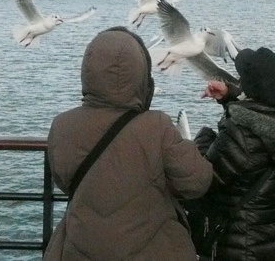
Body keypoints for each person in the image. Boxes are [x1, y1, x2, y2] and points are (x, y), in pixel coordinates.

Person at [43, 26, 213, 261]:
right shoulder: (156, 126)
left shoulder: (62, 125)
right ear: (142, 76)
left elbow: (64, 180)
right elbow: (197, 182)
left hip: (82, 247)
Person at [193, 47, 275, 261]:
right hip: (274, 245)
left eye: (243, 79)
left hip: (241, 247)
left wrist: (203, 139)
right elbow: (261, 120)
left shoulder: (240, 135)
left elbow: (204, 180)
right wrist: (230, 97)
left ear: (251, 88)